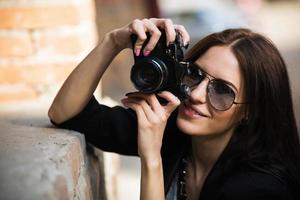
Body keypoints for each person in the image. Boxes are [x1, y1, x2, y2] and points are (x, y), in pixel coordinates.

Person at [48, 18, 300, 200]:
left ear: (249, 112)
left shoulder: (260, 188)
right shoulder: (175, 131)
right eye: (195, 74)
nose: (196, 94)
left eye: (222, 91)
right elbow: (66, 112)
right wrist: (113, 42)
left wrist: (151, 159)